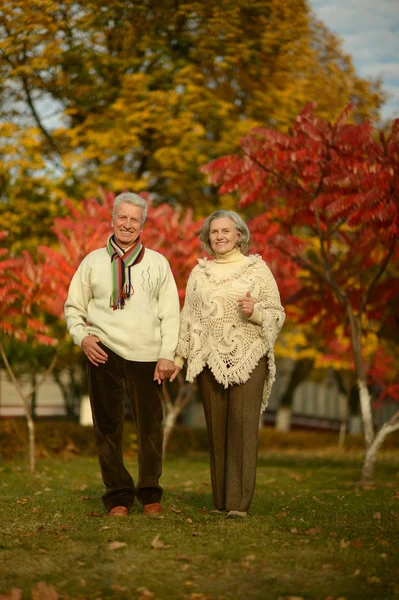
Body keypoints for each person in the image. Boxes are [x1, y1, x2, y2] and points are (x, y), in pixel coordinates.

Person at [64, 192, 180, 517]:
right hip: (103, 353)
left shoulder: (158, 263)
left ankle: (150, 494)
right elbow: (73, 307)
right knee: (107, 428)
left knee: (150, 429)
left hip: (148, 356)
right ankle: (117, 496)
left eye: (134, 219)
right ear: (112, 219)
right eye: (122, 218)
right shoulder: (92, 262)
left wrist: (167, 354)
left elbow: (171, 313)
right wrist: (82, 337)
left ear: (142, 224)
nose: (127, 224)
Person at [171, 210, 285, 519]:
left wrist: (255, 312)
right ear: (208, 237)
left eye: (226, 230)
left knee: (242, 427)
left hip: (249, 356)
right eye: (214, 231)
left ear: (239, 235)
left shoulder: (257, 269)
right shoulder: (200, 272)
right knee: (216, 429)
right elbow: (188, 317)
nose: (220, 236)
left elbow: (277, 312)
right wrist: (179, 357)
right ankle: (220, 500)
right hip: (209, 359)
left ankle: (238, 504)